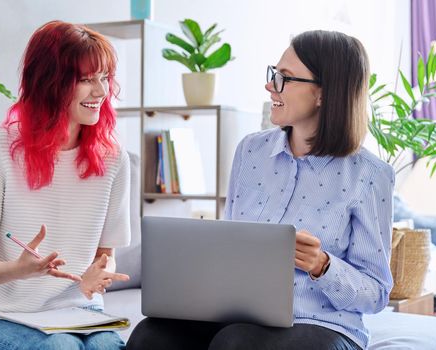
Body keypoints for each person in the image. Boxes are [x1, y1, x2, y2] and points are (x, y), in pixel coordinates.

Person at [127, 30, 395, 350]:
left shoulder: (369, 174)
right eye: (273, 74)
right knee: (151, 334)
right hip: (238, 317)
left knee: (236, 343)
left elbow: (376, 293)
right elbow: (230, 246)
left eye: (285, 78)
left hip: (322, 324)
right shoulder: (251, 151)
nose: (270, 86)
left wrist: (322, 265)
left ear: (323, 93)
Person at [0, 20, 131, 350]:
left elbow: (107, 255)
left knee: (107, 347)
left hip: (77, 312)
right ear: (50, 83)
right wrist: (19, 269)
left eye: (104, 77)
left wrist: (99, 274)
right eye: (86, 80)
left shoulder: (114, 159)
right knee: (60, 348)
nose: (101, 92)